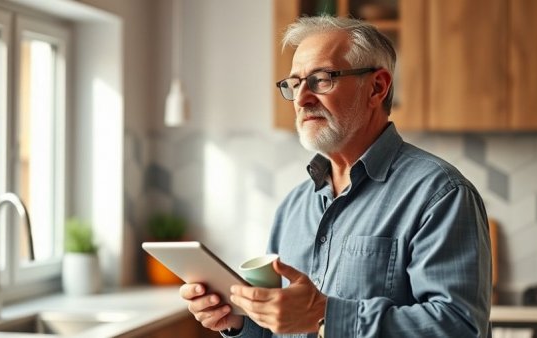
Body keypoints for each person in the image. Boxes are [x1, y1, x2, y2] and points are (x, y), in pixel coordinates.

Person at [180, 16, 492, 338]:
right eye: (295, 83)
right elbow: (282, 326)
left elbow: (461, 328)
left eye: (321, 79)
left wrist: (324, 315)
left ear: (377, 87)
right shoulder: (294, 206)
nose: (302, 99)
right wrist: (239, 321)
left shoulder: (441, 194)